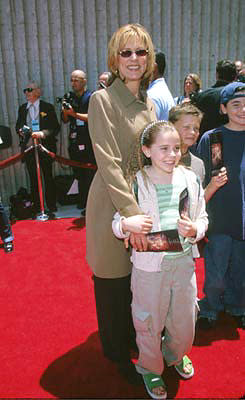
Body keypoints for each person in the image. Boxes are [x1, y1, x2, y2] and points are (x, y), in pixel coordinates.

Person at [112, 121, 208, 399]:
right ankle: (150, 368)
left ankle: (176, 354)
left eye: (176, 148)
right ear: (147, 150)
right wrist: (127, 224)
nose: (172, 154)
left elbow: (202, 217)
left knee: (185, 319)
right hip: (148, 266)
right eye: (163, 148)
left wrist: (195, 230)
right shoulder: (136, 181)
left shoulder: (190, 178)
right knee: (148, 321)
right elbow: (116, 224)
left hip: (183, 261)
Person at [86, 23, 156, 383]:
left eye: (140, 52)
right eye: (126, 52)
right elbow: (109, 161)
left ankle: (134, 340)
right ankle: (116, 356)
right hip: (113, 203)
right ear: (115, 59)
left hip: (143, 202)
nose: (134, 59)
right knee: (113, 282)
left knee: (139, 282)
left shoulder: (149, 102)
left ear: (149, 58)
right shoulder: (102, 99)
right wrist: (131, 214)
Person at [196, 81, 245, 330]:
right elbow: (201, 179)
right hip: (219, 216)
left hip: (243, 218)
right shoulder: (213, 138)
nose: (243, 110)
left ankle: (237, 306)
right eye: (236, 105)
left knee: (240, 267)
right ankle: (211, 306)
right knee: (215, 266)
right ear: (224, 108)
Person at [16, 81, 60, 216]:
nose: (27, 93)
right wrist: (21, 131)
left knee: (48, 176)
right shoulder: (23, 108)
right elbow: (18, 124)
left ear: (38, 92)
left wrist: (42, 134)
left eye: (30, 89)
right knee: (34, 179)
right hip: (29, 148)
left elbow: (55, 127)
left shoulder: (47, 107)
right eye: (25, 90)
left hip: (44, 147)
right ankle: (37, 207)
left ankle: (51, 205)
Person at [169, 104, 228, 202]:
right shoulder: (160, 159)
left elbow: (198, 204)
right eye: (186, 127)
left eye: (196, 128)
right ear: (171, 126)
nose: (192, 132)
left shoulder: (198, 164)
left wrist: (213, 185)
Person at [61, 70, 96, 214]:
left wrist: (74, 114)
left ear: (84, 81)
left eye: (76, 80)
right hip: (75, 139)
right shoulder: (69, 97)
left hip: (89, 140)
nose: (73, 83)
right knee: (79, 173)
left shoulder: (92, 97)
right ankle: (82, 201)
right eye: (72, 80)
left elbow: (92, 117)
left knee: (90, 174)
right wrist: (65, 111)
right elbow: (65, 120)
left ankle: (91, 205)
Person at [191, 60, 237, 136]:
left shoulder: (201, 96)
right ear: (235, 76)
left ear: (217, 75)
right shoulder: (238, 97)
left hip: (206, 142)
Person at [147, 51, 175, 120]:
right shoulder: (161, 90)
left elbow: (149, 128)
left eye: (145, 64)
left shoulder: (153, 96)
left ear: (154, 67)